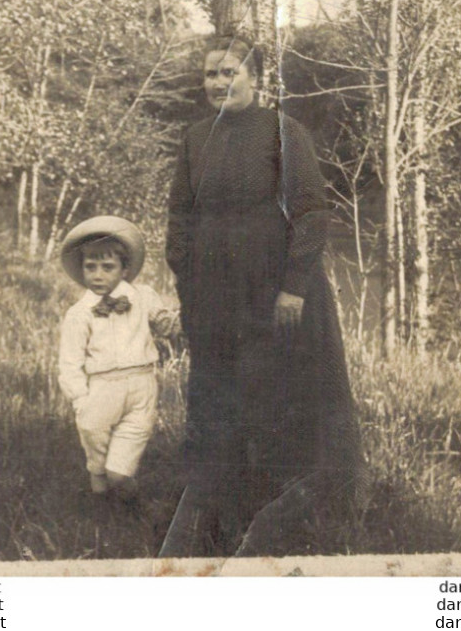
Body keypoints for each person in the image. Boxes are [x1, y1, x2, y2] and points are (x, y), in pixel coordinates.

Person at [162, 36, 363, 555]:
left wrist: (294, 287)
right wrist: (184, 276)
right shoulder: (194, 138)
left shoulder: (282, 132)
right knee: (213, 400)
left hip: (272, 295)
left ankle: (274, 518)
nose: (218, 83)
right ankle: (212, 511)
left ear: (256, 79)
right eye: (210, 74)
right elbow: (180, 215)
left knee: (269, 400)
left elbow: (312, 212)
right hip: (212, 296)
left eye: (229, 72)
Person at [58, 215, 178, 506]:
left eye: (107, 267)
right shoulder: (80, 313)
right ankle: (101, 503)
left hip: (142, 385)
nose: (98, 275)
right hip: (101, 388)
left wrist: (174, 318)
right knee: (96, 451)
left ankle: (128, 500)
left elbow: (167, 327)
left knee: (120, 470)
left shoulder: (144, 296)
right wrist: (80, 399)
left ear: (125, 269)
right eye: (90, 267)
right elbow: (69, 362)